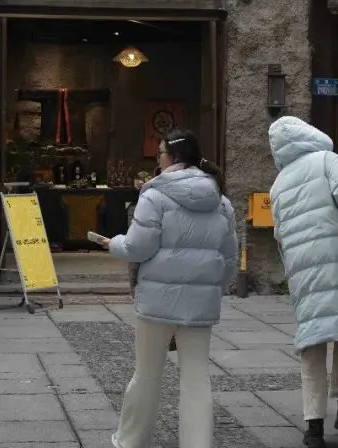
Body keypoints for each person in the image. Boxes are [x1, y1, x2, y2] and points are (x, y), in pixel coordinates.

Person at [103, 129, 238, 448]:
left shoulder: (154, 195)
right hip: (200, 303)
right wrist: (212, 290)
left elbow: (138, 247)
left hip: (157, 303)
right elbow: (230, 258)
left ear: (173, 157)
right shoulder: (221, 201)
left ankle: (131, 440)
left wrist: (114, 244)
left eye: (160, 153)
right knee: (197, 377)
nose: (158, 159)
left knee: (147, 373)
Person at [268, 116, 338, 448]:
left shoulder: (279, 183)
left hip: (303, 268)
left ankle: (313, 425)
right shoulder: (327, 160)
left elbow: (279, 232)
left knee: (311, 339)